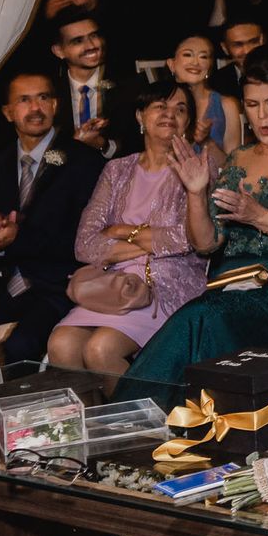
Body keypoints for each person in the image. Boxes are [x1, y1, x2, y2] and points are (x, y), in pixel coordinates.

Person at [122, 53, 268, 384]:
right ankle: (161, 420)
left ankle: (153, 420)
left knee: (203, 319)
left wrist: (259, 215)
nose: (262, 116)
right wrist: (196, 193)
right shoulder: (239, 159)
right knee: (197, 318)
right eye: (252, 105)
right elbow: (206, 243)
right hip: (231, 290)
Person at [48, 82, 214, 375]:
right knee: (61, 345)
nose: (169, 114)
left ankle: (135, 421)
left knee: (100, 350)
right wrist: (148, 241)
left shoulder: (199, 168)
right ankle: (95, 420)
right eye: (159, 106)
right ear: (140, 116)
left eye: (180, 109)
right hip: (113, 286)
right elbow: (85, 244)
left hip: (167, 285)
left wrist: (120, 231)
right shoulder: (117, 169)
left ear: (188, 121)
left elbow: (187, 239)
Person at [0, 71, 107, 364]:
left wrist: (16, 239)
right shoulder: (1, 162)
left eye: (43, 98)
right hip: (7, 282)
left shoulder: (83, 161)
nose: (35, 108)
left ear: (55, 105)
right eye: (24, 100)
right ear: (8, 113)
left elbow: (85, 241)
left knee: (18, 348)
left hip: (58, 285)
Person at [49, 8, 125, 158]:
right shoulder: (49, 93)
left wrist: (104, 145)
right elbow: (42, 156)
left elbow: (136, 147)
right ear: (59, 51)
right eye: (78, 41)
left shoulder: (125, 86)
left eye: (94, 36)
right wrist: (74, 145)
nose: (91, 45)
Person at [167, 32, 242, 153]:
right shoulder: (161, 105)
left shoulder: (226, 105)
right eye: (187, 54)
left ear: (210, 66)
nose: (195, 63)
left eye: (203, 57)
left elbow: (233, 164)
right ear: (171, 64)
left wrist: (207, 142)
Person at [209, 14, 268, 102]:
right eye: (238, 45)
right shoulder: (215, 83)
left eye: (253, 42)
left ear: (262, 40)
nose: (247, 51)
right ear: (225, 48)